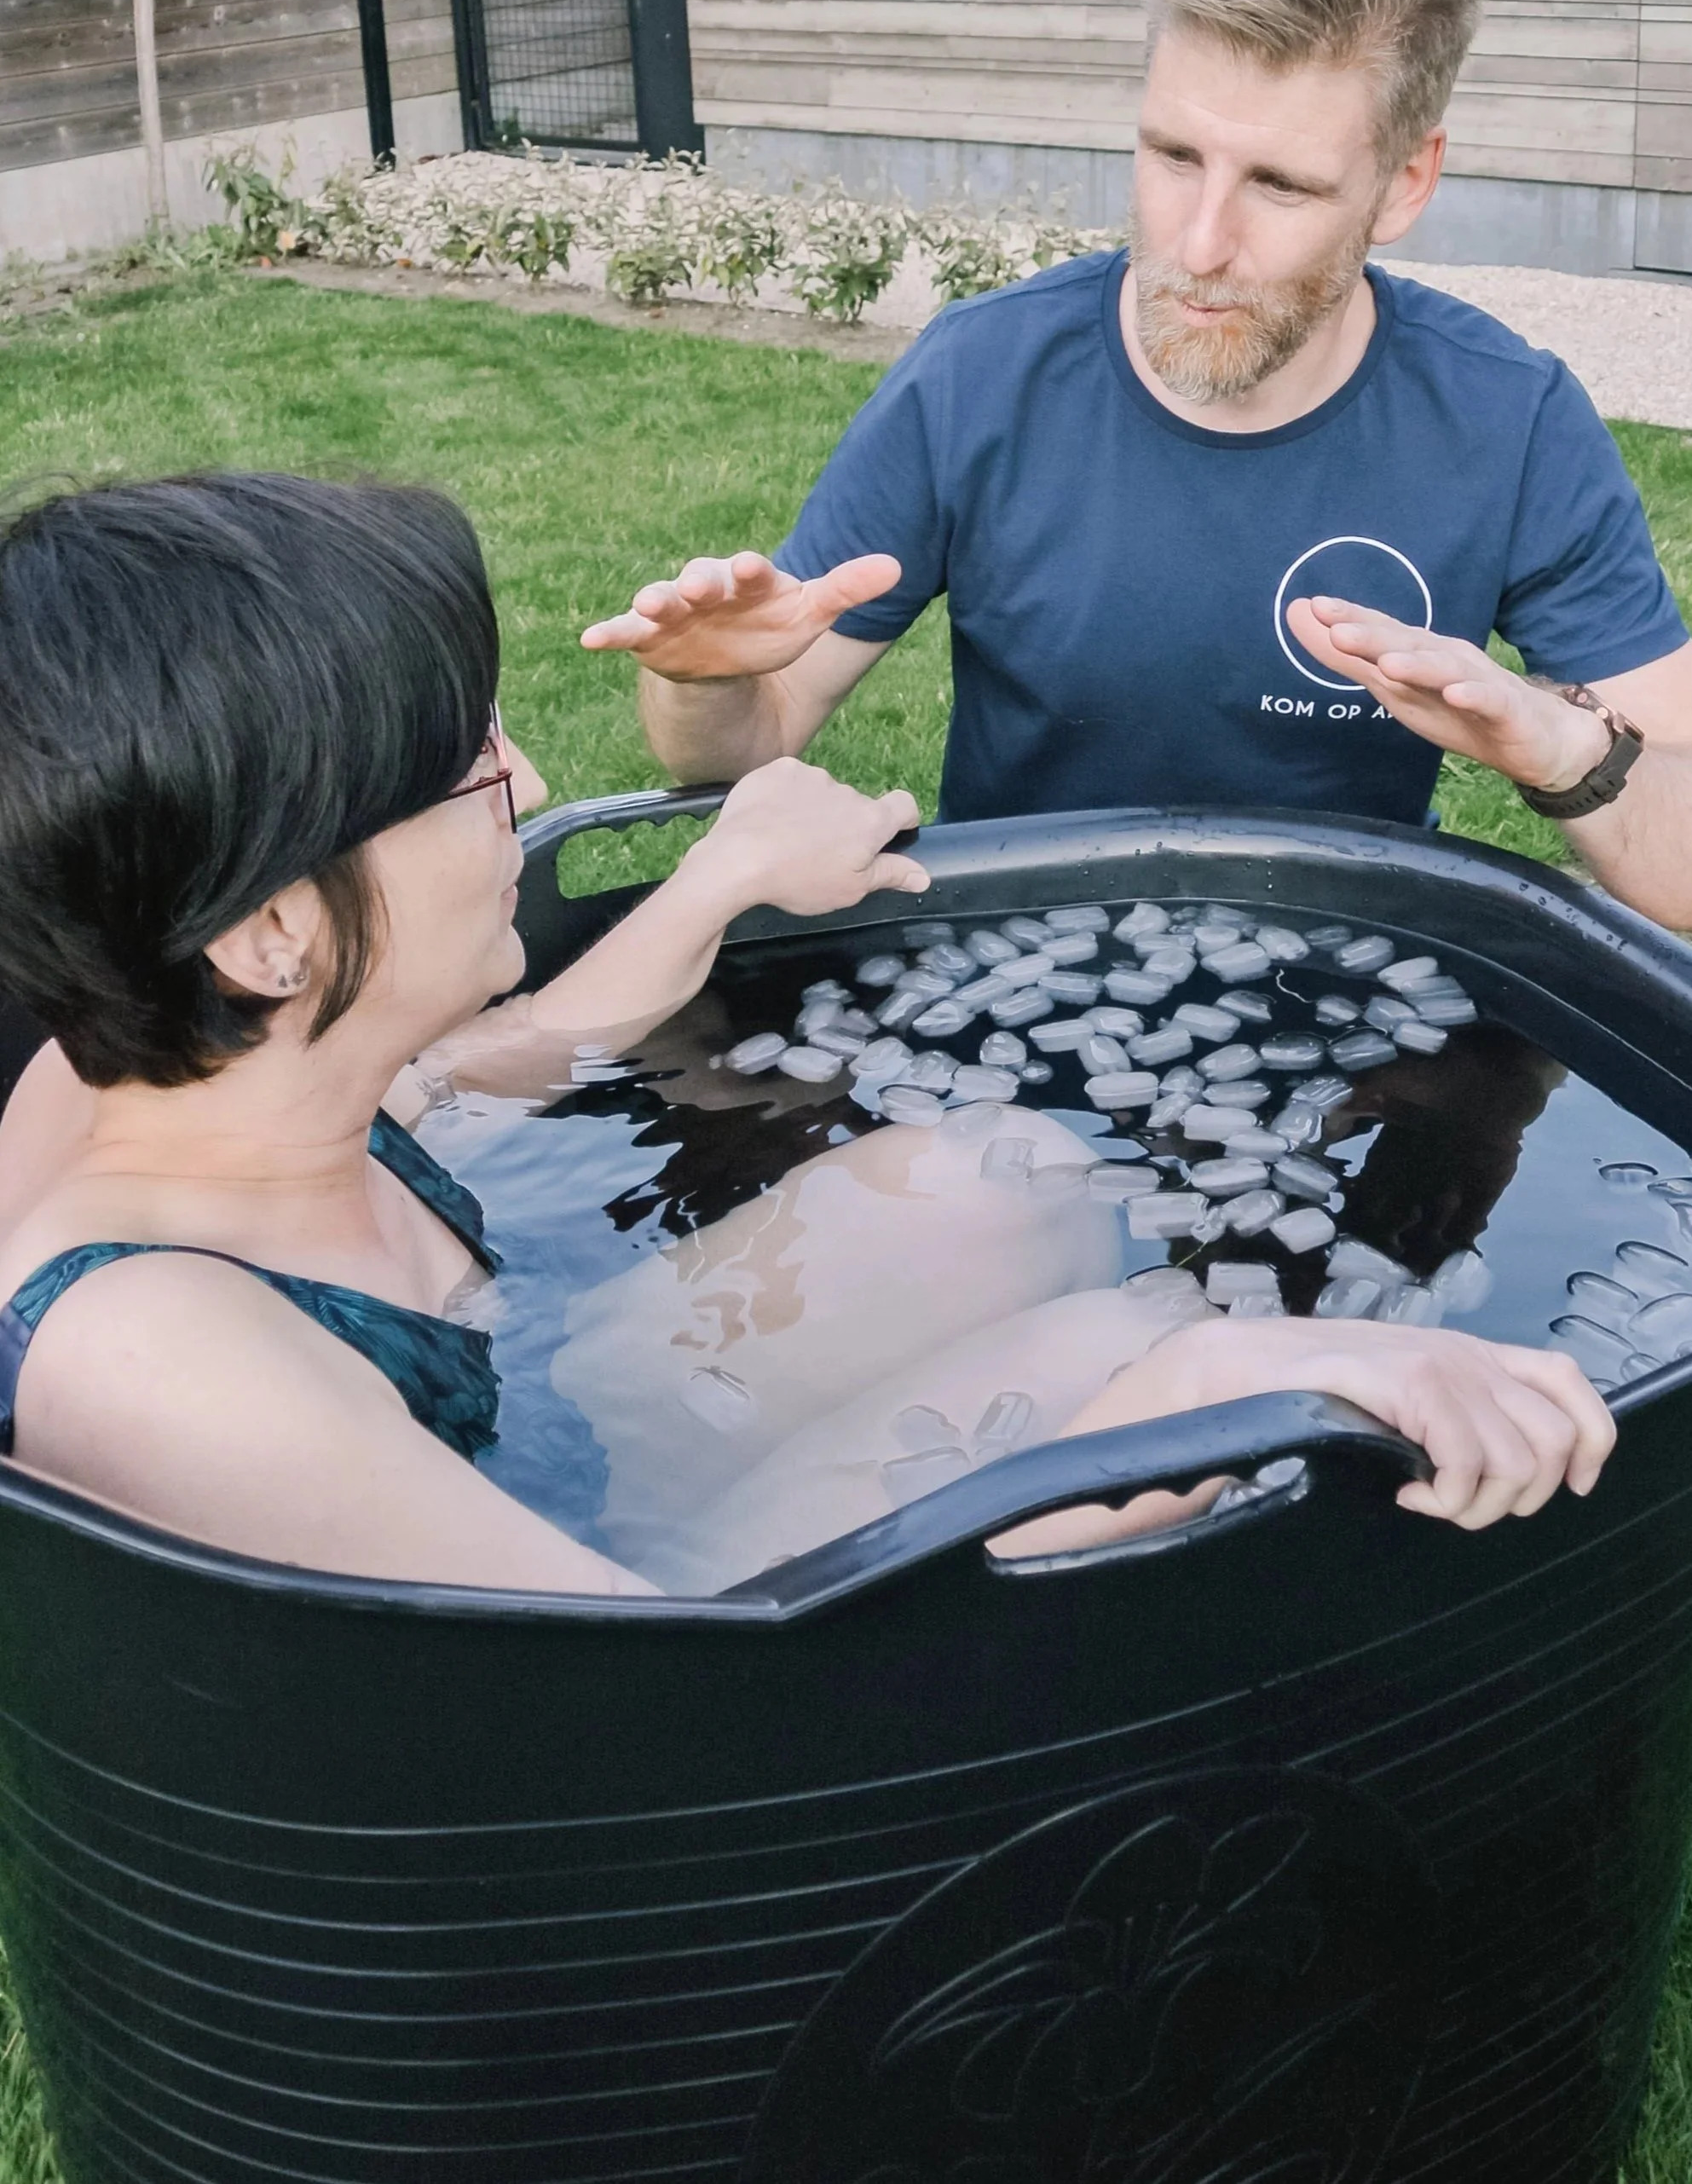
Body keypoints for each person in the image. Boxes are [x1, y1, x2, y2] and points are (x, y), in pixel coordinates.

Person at [0, 475, 1613, 1597]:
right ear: (273, 929)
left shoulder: (174, 1055)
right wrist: (1209, 1385)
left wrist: (719, 881)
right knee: (1169, 1378)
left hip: (510, 1426)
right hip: (606, 1637)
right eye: (471, 766)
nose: (535, 785)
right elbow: (684, 1705)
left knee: (1011, 1187)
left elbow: (463, 1073)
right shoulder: (152, 1356)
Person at [583, 0, 1692, 932]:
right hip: (1012, 991)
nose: (1198, 244)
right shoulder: (981, 377)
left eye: (1280, 184)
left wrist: (1568, 754)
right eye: (1172, 155)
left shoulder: (1511, 424)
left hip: (1350, 1013)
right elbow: (747, 739)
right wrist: (699, 683)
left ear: (1405, 181)